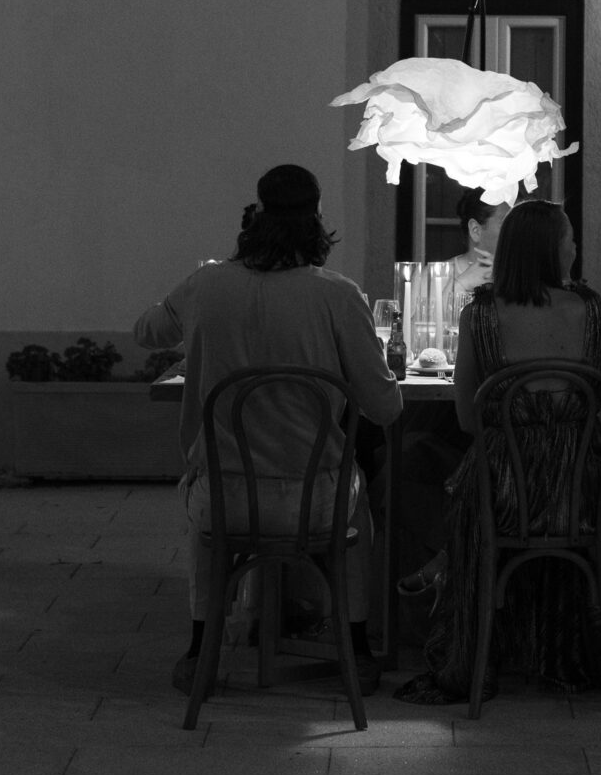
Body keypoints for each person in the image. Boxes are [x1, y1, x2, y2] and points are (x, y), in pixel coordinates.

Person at [134, 164, 404, 695]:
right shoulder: (338, 295)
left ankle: (200, 648)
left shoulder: (206, 285)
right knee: (360, 505)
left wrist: (190, 308)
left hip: (226, 497)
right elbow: (386, 408)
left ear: (255, 218)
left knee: (205, 502)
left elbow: (147, 332)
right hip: (315, 500)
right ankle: (356, 647)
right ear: (318, 223)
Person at [396, 199, 601, 704]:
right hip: (579, 487)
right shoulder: (588, 309)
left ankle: (474, 635)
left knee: (441, 475)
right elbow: (596, 409)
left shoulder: (480, 314)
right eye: (569, 239)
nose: (575, 247)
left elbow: (464, 418)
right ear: (550, 249)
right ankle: (571, 645)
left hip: (505, 485)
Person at [446, 186, 514, 311]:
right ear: (475, 230)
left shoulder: (525, 281)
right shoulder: (428, 280)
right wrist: (461, 284)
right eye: (508, 224)